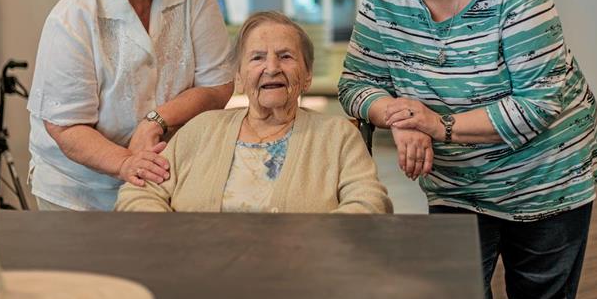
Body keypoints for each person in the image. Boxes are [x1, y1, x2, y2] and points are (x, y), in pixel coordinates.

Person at [338, 0, 597, 299]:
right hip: (455, 183)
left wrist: (435, 125)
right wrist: (399, 118)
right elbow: (357, 83)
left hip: (546, 177)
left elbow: (538, 105)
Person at [27, 0, 234, 211]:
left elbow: (218, 86)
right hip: (79, 190)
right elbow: (66, 126)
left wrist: (156, 120)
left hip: (164, 180)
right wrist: (126, 163)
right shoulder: (74, 17)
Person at [116, 12, 392, 214]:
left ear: (307, 75)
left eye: (286, 56)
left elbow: (370, 202)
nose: (271, 68)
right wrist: (176, 241)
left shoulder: (337, 136)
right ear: (239, 77)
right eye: (257, 57)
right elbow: (138, 193)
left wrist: (313, 244)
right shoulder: (200, 130)